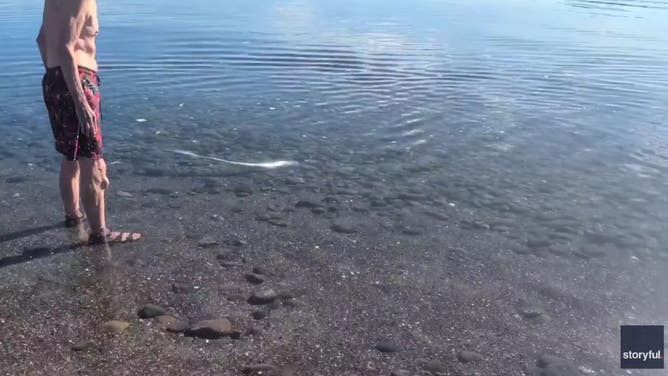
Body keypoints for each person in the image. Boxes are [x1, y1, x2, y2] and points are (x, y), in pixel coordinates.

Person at [37, 0, 140, 244]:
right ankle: (100, 233)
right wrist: (80, 102)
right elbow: (65, 48)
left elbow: (42, 40)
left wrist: (57, 80)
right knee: (92, 161)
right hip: (79, 81)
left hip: (54, 80)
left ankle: (73, 217)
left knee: (69, 155)